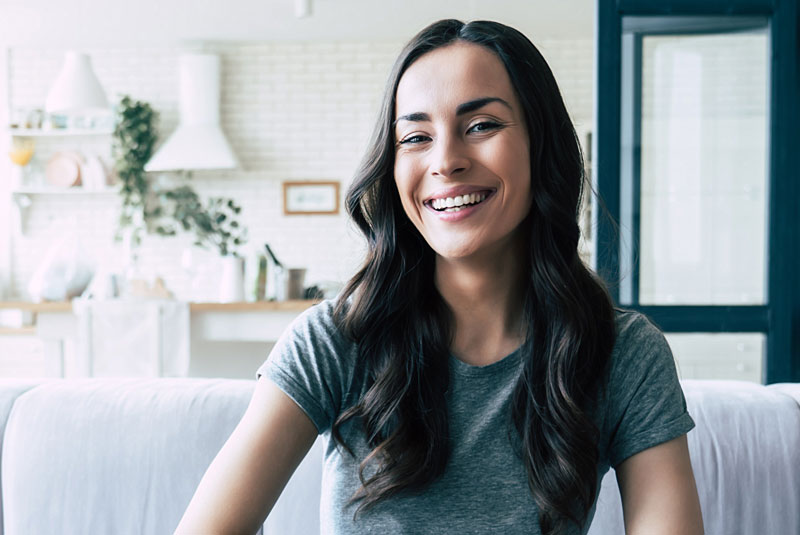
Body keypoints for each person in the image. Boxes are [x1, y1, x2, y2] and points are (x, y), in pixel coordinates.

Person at [175, 19, 703, 535]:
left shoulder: (625, 354)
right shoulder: (334, 341)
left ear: (542, 148)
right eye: (416, 136)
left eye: (481, 126)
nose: (446, 160)